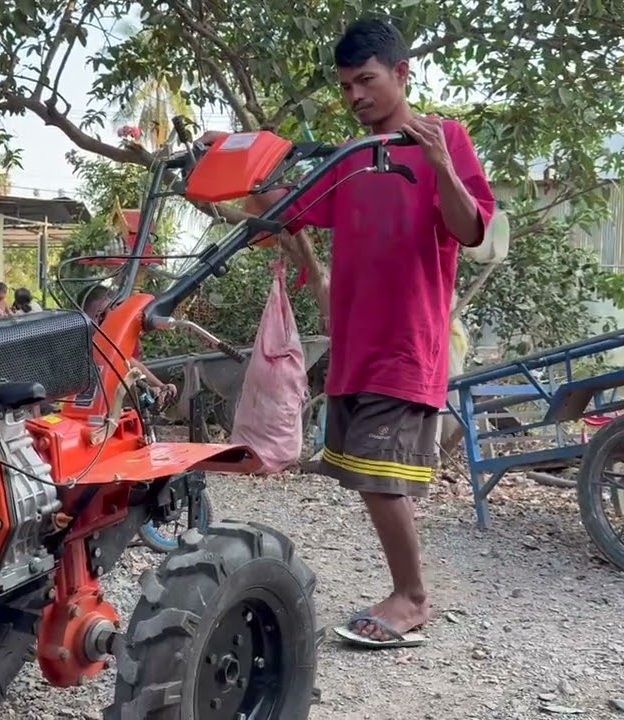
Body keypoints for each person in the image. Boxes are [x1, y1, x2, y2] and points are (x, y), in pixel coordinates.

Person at [198, 17, 496, 649]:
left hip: (407, 341)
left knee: (381, 477)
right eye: (346, 86)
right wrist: (233, 161)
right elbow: (280, 210)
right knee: (365, 473)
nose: (356, 96)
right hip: (354, 343)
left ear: (401, 74)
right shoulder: (349, 158)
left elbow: (469, 231)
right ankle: (406, 587)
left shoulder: (445, 139)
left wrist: (441, 162)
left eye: (367, 80)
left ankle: (412, 598)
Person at [79, 283, 177, 405]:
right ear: (83, 319)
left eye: (114, 314)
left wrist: (161, 386)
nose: (109, 320)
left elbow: (131, 364)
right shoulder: (86, 344)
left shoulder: (122, 341)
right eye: (101, 316)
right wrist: (152, 387)